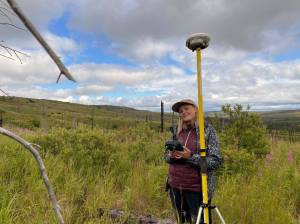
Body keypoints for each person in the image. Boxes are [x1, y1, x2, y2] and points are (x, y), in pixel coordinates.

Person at [164, 99, 222, 224]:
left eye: (186, 108)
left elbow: (215, 161)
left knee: (199, 221)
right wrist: (171, 155)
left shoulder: (207, 130)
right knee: (180, 220)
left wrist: (189, 156)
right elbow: (166, 156)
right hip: (175, 186)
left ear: (195, 109)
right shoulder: (177, 131)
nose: (183, 112)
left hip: (196, 190)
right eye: (180, 111)